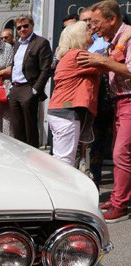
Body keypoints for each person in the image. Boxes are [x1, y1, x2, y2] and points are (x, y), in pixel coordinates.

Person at [77, 0, 131, 222]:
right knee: (121, 154)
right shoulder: (115, 39)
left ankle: (120, 205)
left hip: (128, 100)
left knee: (120, 153)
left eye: (96, 22)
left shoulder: (128, 37)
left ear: (112, 19)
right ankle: (119, 197)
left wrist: (101, 61)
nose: (92, 26)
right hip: (119, 101)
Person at [48, 21, 104, 166]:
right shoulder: (78, 55)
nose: (91, 31)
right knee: (65, 163)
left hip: (60, 111)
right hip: (66, 113)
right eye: (86, 29)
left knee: (61, 160)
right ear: (78, 35)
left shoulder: (69, 55)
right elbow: (106, 64)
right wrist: (121, 44)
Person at [8, 14, 53, 148]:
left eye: (25, 26)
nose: (22, 29)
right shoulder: (17, 44)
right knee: (17, 127)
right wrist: (10, 87)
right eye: (19, 27)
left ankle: (33, 155)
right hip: (15, 88)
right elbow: (14, 66)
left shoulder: (41, 42)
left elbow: (46, 69)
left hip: (28, 88)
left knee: (30, 128)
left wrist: (35, 90)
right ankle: (20, 154)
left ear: (32, 25)